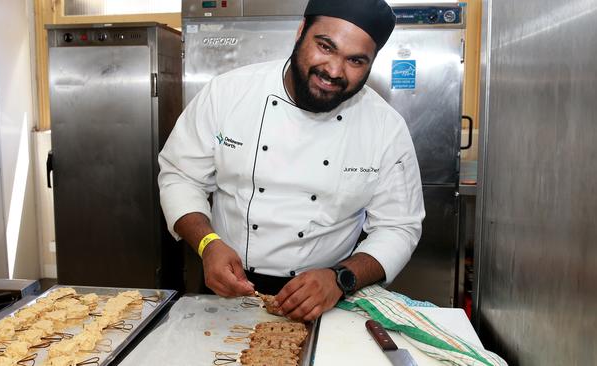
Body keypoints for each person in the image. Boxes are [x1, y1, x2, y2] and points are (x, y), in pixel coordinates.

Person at [158, 0, 425, 321]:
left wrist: (342, 278)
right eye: (325, 46)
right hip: (226, 284)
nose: (334, 70)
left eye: (355, 60)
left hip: (327, 296)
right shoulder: (228, 94)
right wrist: (207, 244)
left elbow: (399, 227)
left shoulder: (385, 126)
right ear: (300, 32)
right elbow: (180, 176)